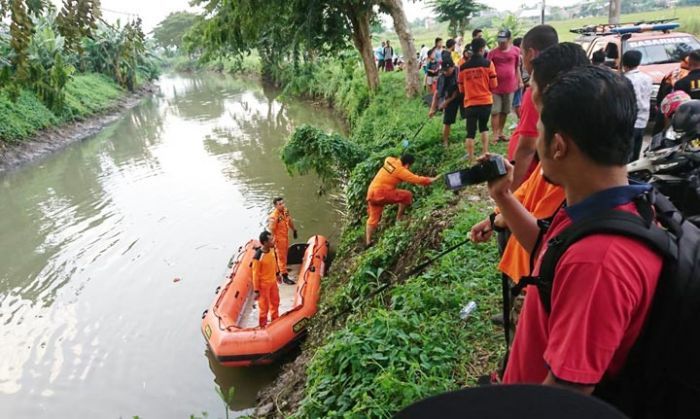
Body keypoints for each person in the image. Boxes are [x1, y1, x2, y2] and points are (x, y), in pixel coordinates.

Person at [488, 65, 662, 394]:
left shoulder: (597, 263)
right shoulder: (607, 206)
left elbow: (567, 399)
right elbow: (548, 252)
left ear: (558, 146)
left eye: (539, 133)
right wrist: (503, 196)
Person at [471, 41, 588, 342]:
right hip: (528, 263)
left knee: (529, 342)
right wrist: (497, 213)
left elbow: (544, 241)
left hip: (538, 277)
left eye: (531, 84)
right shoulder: (558, 155)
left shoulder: (569, 168)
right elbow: (531, 192)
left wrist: (502, 198)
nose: (527, 91)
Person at [508, 25, 559, 190]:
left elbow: (527, 147)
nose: (522, 60)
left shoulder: (536, 91)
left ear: (531, 53)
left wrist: (513, 190)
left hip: (531, 178)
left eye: (522, 54)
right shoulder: (560, 81)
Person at [365, 154, 438, 246]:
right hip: (381, 193)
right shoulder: (401, 171)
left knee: (373, 218)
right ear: (407, 165)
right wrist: (430, 180)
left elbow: (390, 159)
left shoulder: (389, 161)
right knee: (407, 195)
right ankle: (399, 218)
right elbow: (416, 179)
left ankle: (368, 241)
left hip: (371, 192)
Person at [458, 37, 498, 160]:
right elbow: (494, 85)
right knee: (483, 127)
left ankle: (470, 158)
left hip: (470, 103)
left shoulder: (463, 67)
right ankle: (485, 153)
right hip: (485, 102)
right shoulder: (488, 64)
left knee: (470, 132)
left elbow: (461, 89)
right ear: (482, 49)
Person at [489, 29, 522, 143]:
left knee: (505, 111)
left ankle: (500, 132)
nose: (501, 43)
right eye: (499, 41)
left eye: (503, 41)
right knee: (495, 111)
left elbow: (517, 67)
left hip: (510, 86)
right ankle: (494, 135)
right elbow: (487, 69)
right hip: (495, 87)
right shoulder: (492, 53)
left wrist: (519, 81)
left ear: (509, 40)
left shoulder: (516, 51)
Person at [623, 50, 652, 162]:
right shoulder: (647, 78)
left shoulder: (626, 80)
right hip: (644, 118)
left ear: (624, 63)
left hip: (631, 120)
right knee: (636, 150)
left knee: (627, 153)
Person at [252, 231, 282, 328]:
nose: (273, 241)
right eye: (271, 240)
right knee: (264, 307)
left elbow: (274, 263)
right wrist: (256, 290)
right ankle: (263, 326)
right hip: (263, 285)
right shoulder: (258, 257)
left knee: (275, 302)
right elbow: (255, 274)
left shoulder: (272, 250)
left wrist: (277, 274)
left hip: (273, 282)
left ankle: (275, 320)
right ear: (265, 242)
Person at [429, 60, 460, 147]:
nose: (445, 72)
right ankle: (445, 142)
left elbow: (456, 93)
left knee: (469, 116)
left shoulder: (458, 74)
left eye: (447, 70)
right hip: (449, 95)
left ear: (452, 67)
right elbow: (436, 93)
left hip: (461, 95)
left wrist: (446, 102)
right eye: (444, 70)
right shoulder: (441, 77)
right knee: (447, 121)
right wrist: (432, 108)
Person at [267, 197, 297, 285]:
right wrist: (272, 242)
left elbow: (289, 220)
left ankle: (281, 270)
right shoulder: (273, 217)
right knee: (281, 258)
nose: (282, 205)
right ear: (275, 206)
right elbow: (271, 230)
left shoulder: (285, 211)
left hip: (285, 237)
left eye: (283, 203)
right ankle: (284, 276)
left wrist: (294, 230)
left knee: (284, 255)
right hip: (279, 240)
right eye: (280, 204)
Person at [511, 37, 525, 120]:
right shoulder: (519, 57)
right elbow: (518, 70)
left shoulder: (513, 55)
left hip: (514, 81)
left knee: (517, 103)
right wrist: (521, 81)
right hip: (518, 81)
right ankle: (522, 120)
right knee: (518, 103)